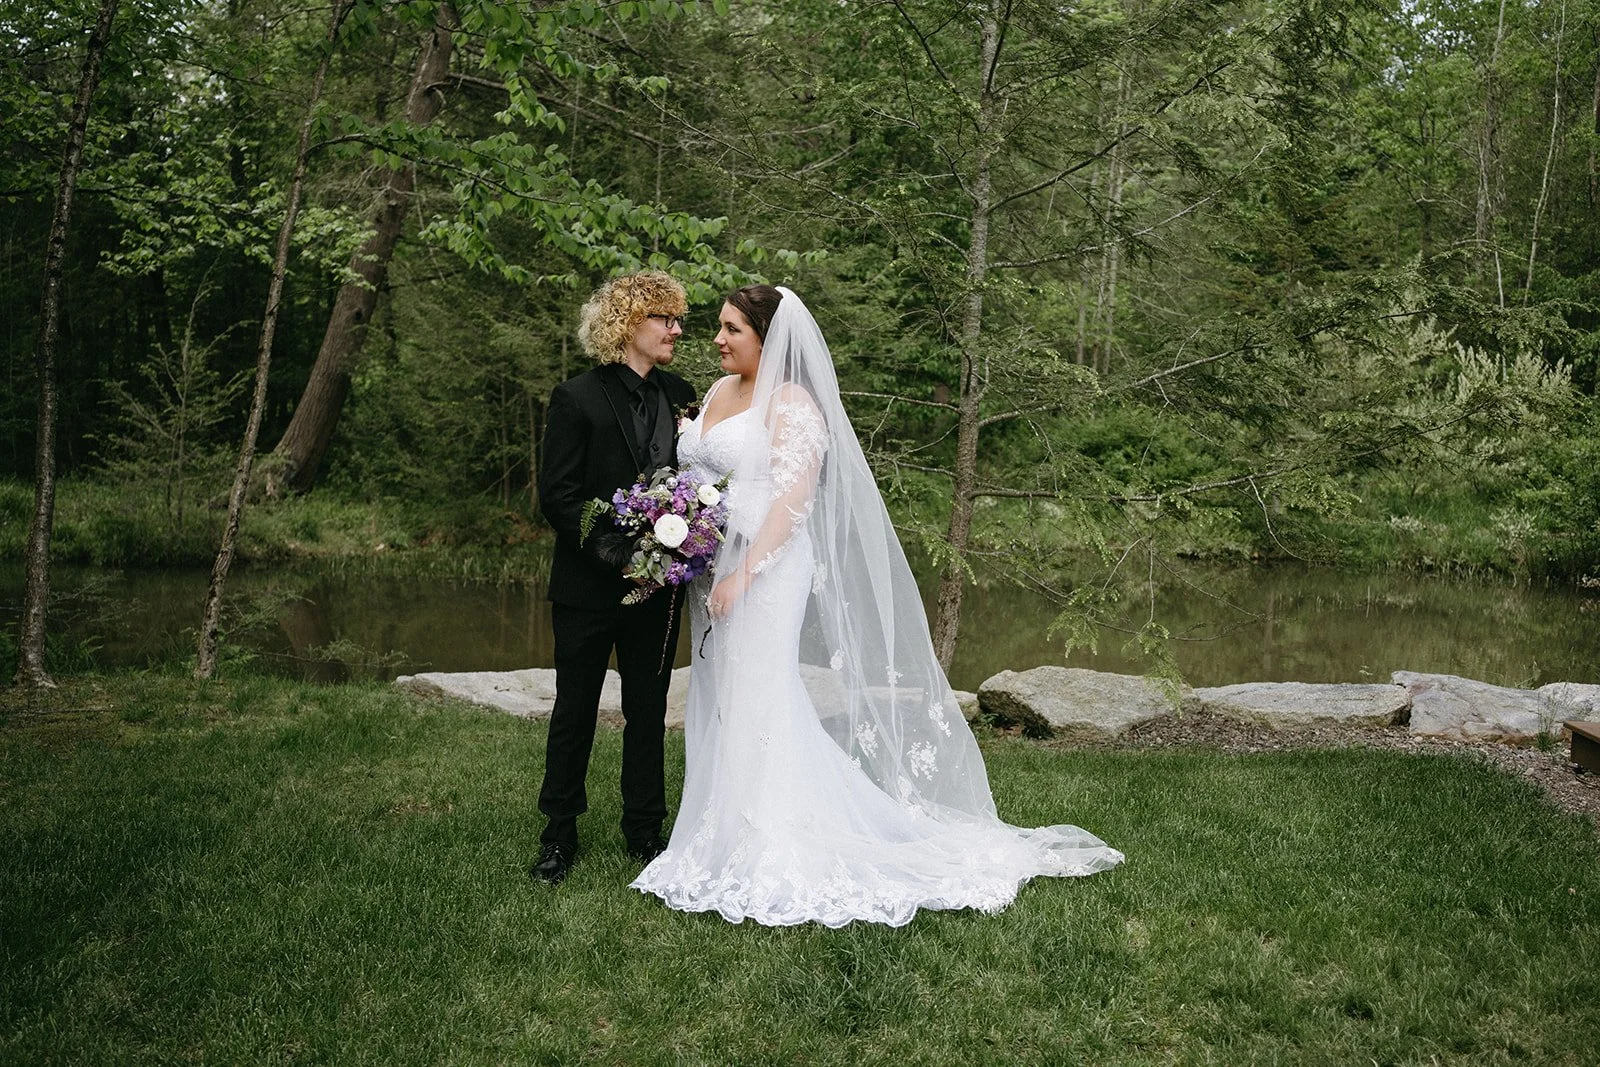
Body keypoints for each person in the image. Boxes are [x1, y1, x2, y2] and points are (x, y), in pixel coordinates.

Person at [631, 285, 1123, 926]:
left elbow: (792, 503)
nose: (717, 340)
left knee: (759, 696)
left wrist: (743, 574)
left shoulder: (795, 405)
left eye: (732, 330)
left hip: (764, 570)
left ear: (769, 338)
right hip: (712, 567)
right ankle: (718, 833)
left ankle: (768, 844)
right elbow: (697, 471)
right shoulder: (720, 394)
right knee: (721, 697)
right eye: (719, 328)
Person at [531, 271, 698, 885]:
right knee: (574, 709)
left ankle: (645, 832)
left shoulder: (683, 395)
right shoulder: (575, 398)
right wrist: (617, 554)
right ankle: (558, 834)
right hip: (586, 585)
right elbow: (559, 495)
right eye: (666, 319)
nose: (678, 330)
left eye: (678, 319)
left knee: (649, 709)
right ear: (630, 323)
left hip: (660, 589)